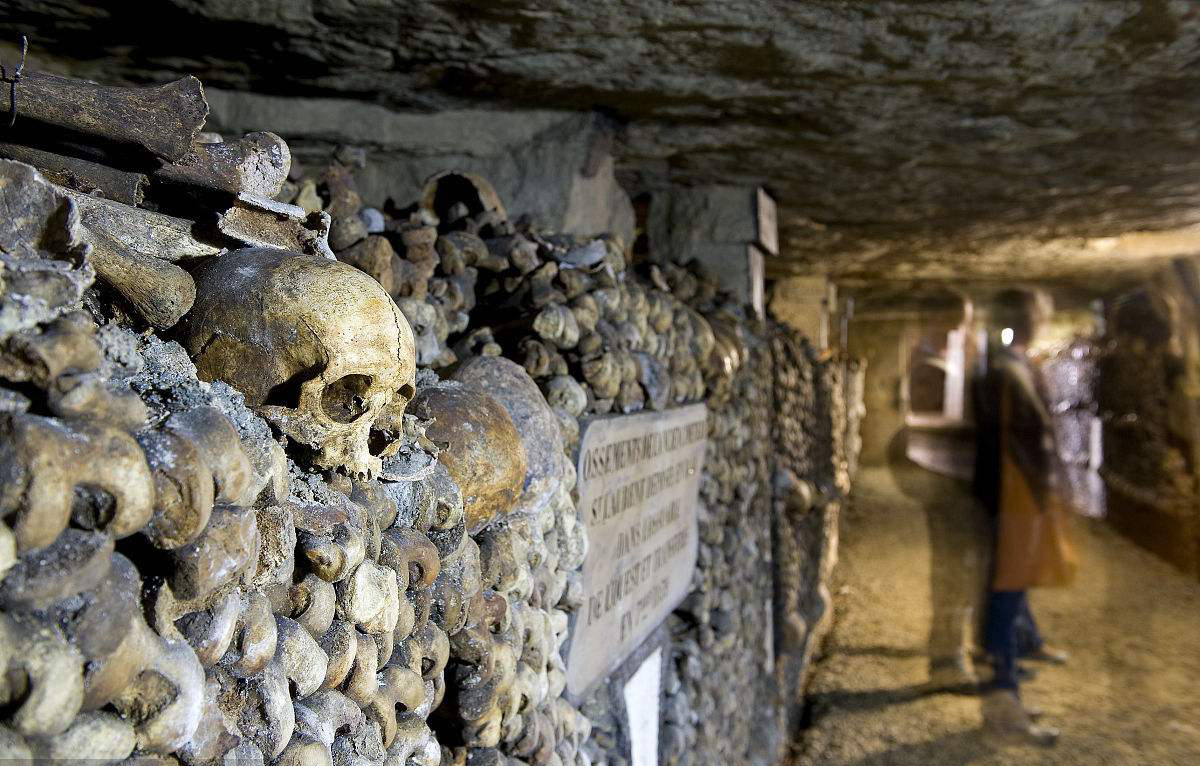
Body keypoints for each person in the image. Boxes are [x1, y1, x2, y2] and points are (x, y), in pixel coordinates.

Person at [973, 288, 1078, 746]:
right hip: (1015, 498)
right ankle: (1003, 711)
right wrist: (1045, 491)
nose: (1044, 318)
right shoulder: (1007, 373)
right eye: (1042, 312)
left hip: (1017, 496)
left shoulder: (1013, 368)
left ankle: (1008, 698)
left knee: (1010, 597)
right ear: (1025, 318)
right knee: (1005, 596)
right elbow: (1024, 443)